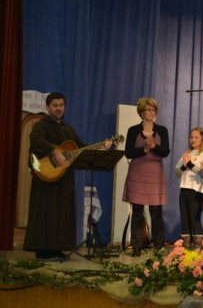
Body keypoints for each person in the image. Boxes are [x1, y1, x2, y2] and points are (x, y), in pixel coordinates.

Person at [25, 92, 111, 261]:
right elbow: (36, 140)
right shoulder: (42, 125)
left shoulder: (68, 129)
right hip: (46, 179)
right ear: (48, 107)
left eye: (61, 105)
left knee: (62, 213)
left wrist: (101, 146)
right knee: (46, 213)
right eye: (55, 105)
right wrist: (53, 151)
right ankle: (43, 251)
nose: (59, 108)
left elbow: (80, 147)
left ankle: (56, 248)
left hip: (64, 179)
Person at [123, 97, 170, 256]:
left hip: (155, 174)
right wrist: (143, 150)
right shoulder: (133, 130)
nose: (151, 112)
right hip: (137, 173)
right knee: (137, 212)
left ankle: (159, 247)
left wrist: (154, 146)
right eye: (148, 110)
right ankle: (136, 247)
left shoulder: (162, 130)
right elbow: (128, 152)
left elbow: (165, 151)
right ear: (141, 112)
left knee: (156, 213)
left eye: (153, 110)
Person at [175, 127, 203, 248]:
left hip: (196, 190)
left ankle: (198, 246)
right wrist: (184, 165)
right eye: (191, 137)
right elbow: (177, 173)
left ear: (202, 138)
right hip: (184, 189)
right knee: (185, 218)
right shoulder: (186, 153)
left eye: (196, 137)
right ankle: (186, 246)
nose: (193, 140)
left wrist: (189, 164)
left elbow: (202, 172)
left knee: (194, 218)